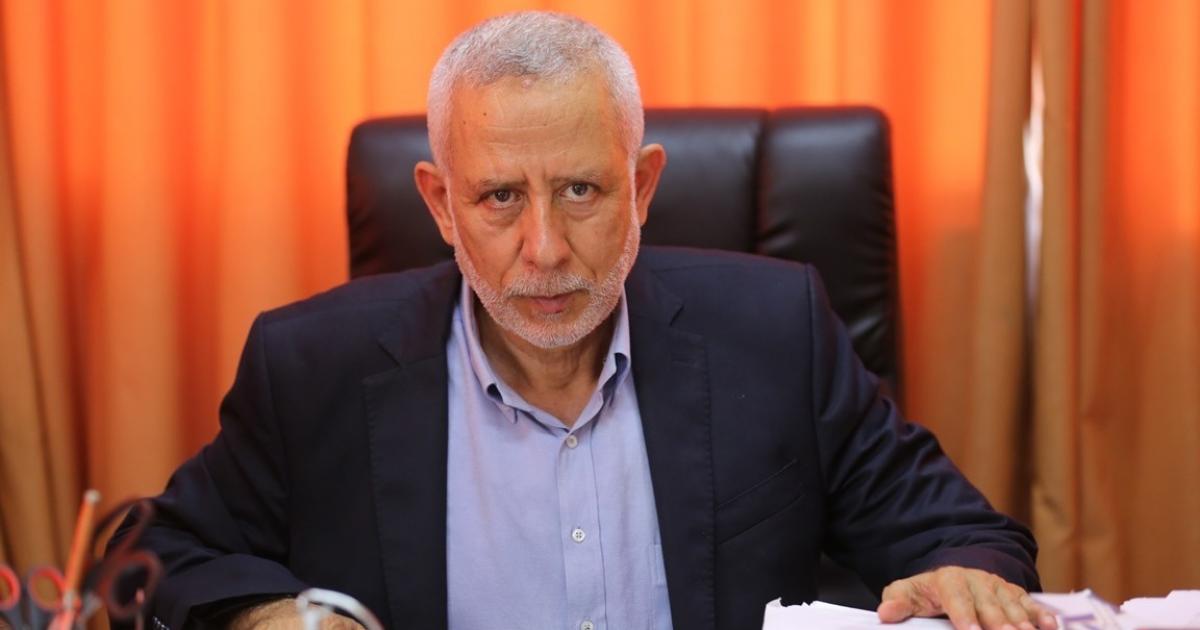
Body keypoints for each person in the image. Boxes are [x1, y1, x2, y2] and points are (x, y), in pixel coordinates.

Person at [113, 11, 1057, 630]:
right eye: (498, 198)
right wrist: (269, 615)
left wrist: (963, 581)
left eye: (580, 191)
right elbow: (151, 554)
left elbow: (966, 539)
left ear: (641, 186)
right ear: (439, 205)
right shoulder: (312, 365)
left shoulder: (776, 332)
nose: (545, 249)